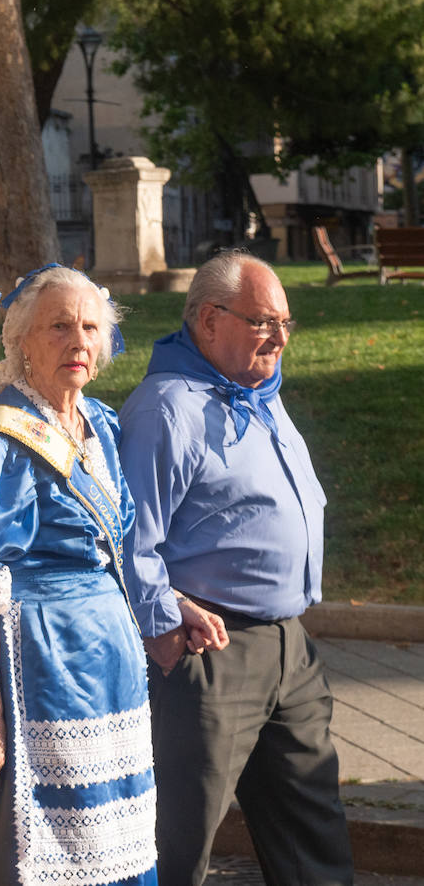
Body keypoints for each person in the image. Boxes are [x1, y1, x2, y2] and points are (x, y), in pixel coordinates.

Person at [0, 265, 184, 885]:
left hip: (109, 670)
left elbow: (110, 545)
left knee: (113, 838)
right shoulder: (3, 435)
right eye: (60, 326)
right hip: (36, 666)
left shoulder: (103, 422)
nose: (79, 341)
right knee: (47, 845)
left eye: (91, 327)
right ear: (22, 341)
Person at [118, 251, 352, 886]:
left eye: (284, 321)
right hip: (209, 649)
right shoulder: (168, 408)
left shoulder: (260, 395)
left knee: (315, 835)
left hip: (289, 647)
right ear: (209, 320)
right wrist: (164, 627)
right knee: (180, 840)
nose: (278, 335)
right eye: (261, 321)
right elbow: (129, 538)